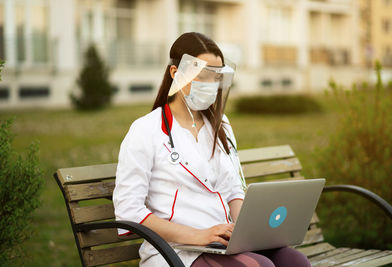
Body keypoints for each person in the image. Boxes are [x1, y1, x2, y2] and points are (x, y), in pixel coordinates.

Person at [113, 32, 311, 267]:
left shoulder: (221, 125)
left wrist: (247, 232)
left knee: (296, 262)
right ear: (176, 73)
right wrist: (199, 235)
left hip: (222, 242)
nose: (211, 85)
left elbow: (234, 190)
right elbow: (129, 209)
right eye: (203, 75)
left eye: (216, 77)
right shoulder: (146, 130)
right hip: (177, 250)